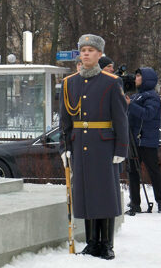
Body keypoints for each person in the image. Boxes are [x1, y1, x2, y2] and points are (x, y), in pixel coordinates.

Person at [59, 34, 128, 260]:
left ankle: (106, 244)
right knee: (86, 193)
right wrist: (65, 146)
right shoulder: (69, 83)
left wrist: (120, 149)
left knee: (105, 194)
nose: (86, 53)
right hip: (80, 145)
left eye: (91, 50)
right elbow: (65, 121)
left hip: (104, 146)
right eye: (83, 50)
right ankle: (91, 243)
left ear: (99, 55)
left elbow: (120, 118)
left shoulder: (110, 82)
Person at [125, 68, 161, 214]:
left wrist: (130, 105)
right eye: (136, 75)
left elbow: (148, 114)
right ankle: (135, 203)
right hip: (134, 140)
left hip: (147, 141)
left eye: (138, 76)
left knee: (153, 171)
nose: (136, 78)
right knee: (133, 172)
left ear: (146, 79)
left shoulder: (152, 97)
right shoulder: (137, 96)